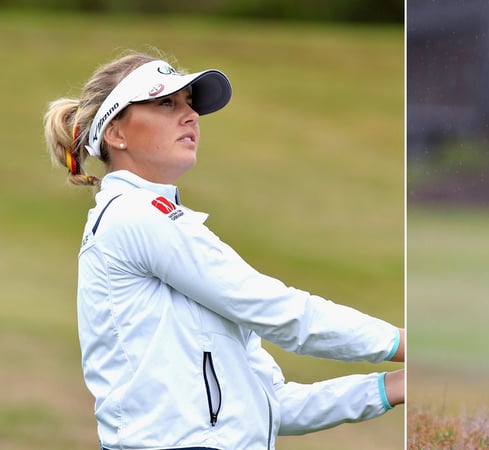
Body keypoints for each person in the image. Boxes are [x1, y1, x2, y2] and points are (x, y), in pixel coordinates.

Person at [43, 50, 405, 450]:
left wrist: (388, 387)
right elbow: (279, 310)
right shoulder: (136, 216)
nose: (190, 116)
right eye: (166, 103)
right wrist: (399, 342)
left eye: (189, 104)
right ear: (115, 133)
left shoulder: (160, 222)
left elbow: (270, 404)